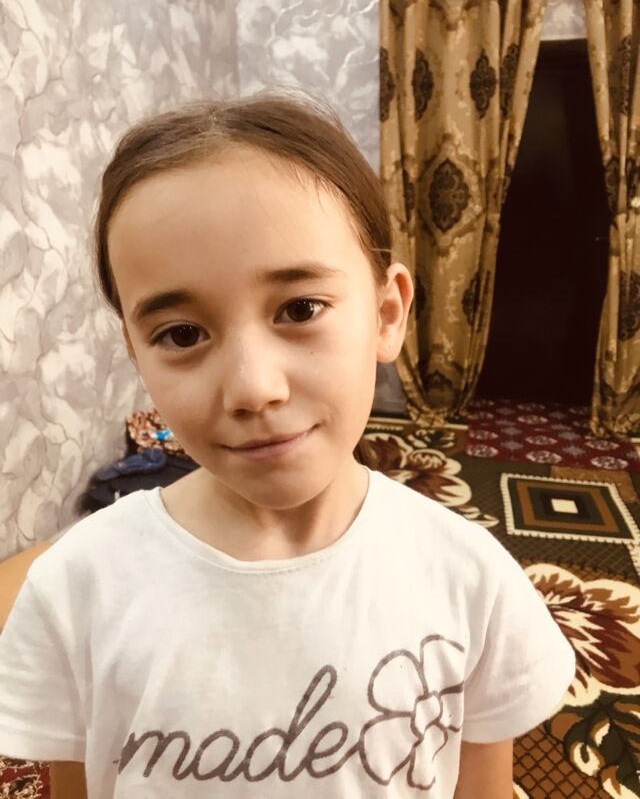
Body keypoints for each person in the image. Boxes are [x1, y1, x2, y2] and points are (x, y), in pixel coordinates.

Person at [0, 91, 575, 798]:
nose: (253, 387)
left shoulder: (470, 580)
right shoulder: (76, 588)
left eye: (300, 309)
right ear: (136, 349)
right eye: (182, 333)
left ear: (386, 313)